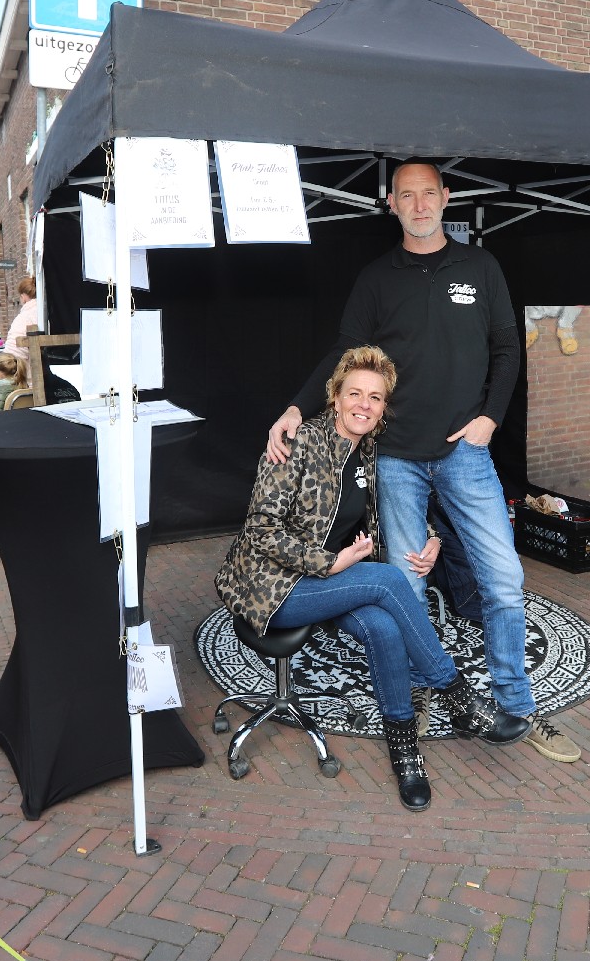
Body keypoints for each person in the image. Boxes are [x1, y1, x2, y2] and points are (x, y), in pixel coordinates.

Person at [266, 159, 579, 765]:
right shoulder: (376, 279)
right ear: (392, 204)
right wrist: (297, 407)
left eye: (428, 193)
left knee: (503, 578)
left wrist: (490, 418)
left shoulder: (481, 267)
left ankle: (517, 705)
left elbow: (506, 348)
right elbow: (344, 353)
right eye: (406, 195)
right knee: (406, 583)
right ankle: (420, 694)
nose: (418, 204)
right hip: (395, 457)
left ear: (445, 197)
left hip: (466, 452)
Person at [219, 347, 516, 809]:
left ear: (383, 407)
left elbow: (392, 511)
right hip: (272, 588)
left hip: (331, 582)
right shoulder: (297, 442)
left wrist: (432, 536)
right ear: (335, 398)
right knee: (386, 581)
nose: (364, 404)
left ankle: (404, 750)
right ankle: (458, 696)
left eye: (375, 397)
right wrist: (330, 563)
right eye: (354, 393)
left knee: (384, 626)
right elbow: (261, 530)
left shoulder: (371, 452)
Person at [4, 275, 41, 362]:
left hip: (27, 366)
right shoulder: (46, 312)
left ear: (23, 296)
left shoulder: (24, 317)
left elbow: (13, 351)